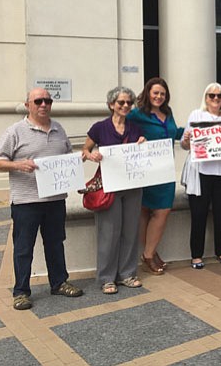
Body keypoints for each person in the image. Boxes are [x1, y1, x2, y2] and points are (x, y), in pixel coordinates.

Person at [0, 88, 84, 310]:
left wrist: (76, 181)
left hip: (54, 200)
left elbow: (68, 160)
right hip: (26, 202)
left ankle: (59, 282)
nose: (43, 104)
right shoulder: (15, 131)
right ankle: (21, 292)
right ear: (28, 105)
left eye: (47, 101)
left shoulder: (59, 129)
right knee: (24, 247)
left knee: (55, 243)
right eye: (38, 101)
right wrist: (18, 165)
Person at [83, 86, 145, 294]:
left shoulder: (135, 128)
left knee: (130, 231)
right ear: (111, 105)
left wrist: (143, 144)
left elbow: (143, 155)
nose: (126, 106)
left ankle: (127, 274)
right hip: (109, 187)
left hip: (132, 186)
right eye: (121, 103)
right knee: (108, 232)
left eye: (129, 102)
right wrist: (92, 156)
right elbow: (84, 150)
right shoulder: (100, 127)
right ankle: (106, 278)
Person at [126, 77, 184, 275]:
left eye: (162, 94)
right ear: (148, 94)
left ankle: (148, 253)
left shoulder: (167, 113)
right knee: (144, 212)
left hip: (165, 171)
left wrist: (191, 132)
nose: (159, 96)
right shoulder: (136, 114)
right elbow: (121, 129)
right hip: (145, 170)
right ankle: (149, 253)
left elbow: (174, 133)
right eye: (155, 93)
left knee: (162, 211)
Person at [180, 83, 221, 268]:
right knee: (199, 215)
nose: (216, 99)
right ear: (206, 97)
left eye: (219, 96)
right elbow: (185, 145)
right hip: (201, 173)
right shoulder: (197, 115)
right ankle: (196, 255)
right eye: (212, 96)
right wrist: (187, 140)